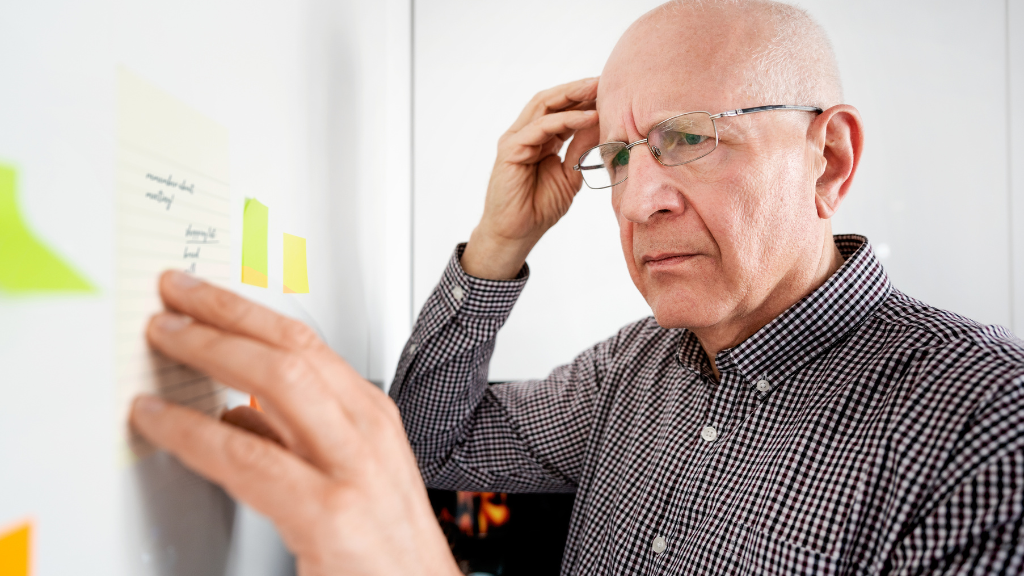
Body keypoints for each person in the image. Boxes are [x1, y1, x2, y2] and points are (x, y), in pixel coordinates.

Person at [131, 0, 1024, 573]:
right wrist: (499, 241)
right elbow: (435, 447)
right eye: (620, 154)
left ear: (828, 159)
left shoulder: (989, 428)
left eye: (691, 138)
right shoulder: (634, 370)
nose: (639, 199)